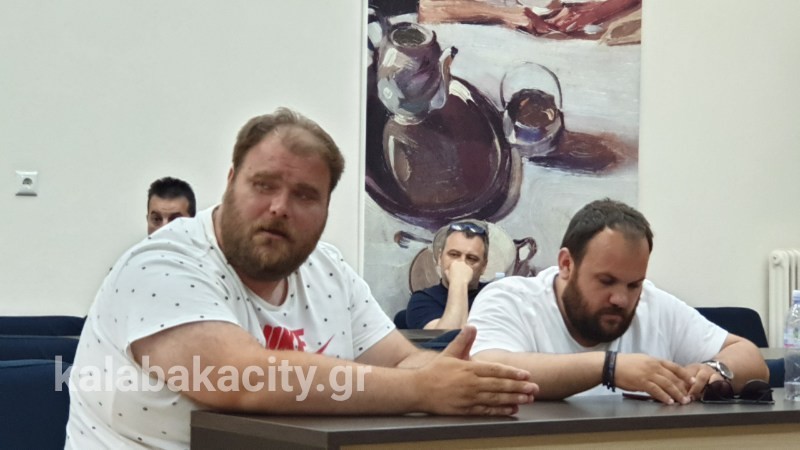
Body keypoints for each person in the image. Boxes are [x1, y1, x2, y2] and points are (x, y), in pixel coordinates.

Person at [66, 108, 537, 449]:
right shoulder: (162, 263)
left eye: (305, 195)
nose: (279, 207)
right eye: (263, 185)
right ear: (229, 183)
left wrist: (451, 377)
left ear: (327, 209)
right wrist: (422, 389)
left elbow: (400, 361)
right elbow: (240, 379)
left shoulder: (329, 270)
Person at [468, 198, 768, 405]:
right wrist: (610, 368)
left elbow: (749, 357)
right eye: (606, 281)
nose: (621, 299)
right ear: (566, 264)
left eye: (633, 284)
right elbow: (485, 370)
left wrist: (717, 369)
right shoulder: (510, 299)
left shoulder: (654, 304)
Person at [406, 220, 490, 329]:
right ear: (440, 258)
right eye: (454, 254)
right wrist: (459, 282)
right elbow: (449, 336)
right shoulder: (422, 300)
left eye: (471, 258)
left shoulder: (494, 295)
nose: (461, 263)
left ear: (483, 266)